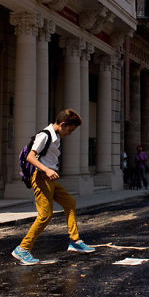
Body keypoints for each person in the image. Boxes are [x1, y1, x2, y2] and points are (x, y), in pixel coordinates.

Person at [12, 109, 95, 265]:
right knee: (45, 215)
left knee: (70, 202)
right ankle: (22, 249)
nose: (70, 133)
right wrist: (47, 169)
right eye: (70, 130)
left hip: (49, 180)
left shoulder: (56, 136)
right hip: (41, 178)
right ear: (63, 124)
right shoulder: (45, 135)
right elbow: (30, 156)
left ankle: (75, 241)